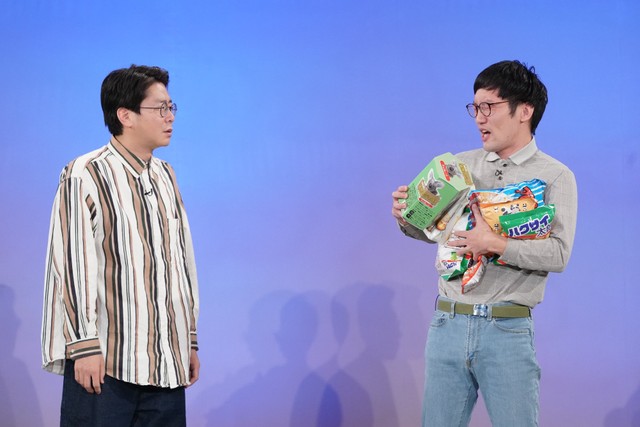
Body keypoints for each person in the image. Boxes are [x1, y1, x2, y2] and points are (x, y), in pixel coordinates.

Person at [391, 60, 577, 426]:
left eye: (489, 107)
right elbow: (430, 231)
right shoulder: (458, 166)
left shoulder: (555, 175)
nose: (479, 118)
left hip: (506, 330)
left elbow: (558, 253)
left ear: (525, 111)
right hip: (447, 323)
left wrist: (495, 243)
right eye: (475, 108)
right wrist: (406, 216)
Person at [41, 65, 200, 426]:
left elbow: (181, 260)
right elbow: (73, 264)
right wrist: (83, 346)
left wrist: (188, 339)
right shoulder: (85, 173)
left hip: (165, 363)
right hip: (107, 364)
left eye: (172, 106)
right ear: (125, 115)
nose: (170, 116)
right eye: (160, 108)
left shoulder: (165, 175)